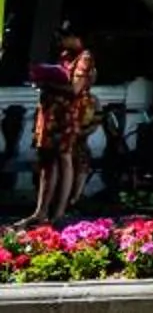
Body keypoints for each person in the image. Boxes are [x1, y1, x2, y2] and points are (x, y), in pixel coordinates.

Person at [26, 29, 95, 224]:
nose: (62, 42)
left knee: (64, 158)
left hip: (66, 116)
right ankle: (40, 211)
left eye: (66, 37)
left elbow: (75, 89)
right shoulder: (65, 56)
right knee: (47, 161)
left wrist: (47, 83)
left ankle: (59, 212)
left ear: (77, 37)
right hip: (51, 115)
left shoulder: (84, 57)